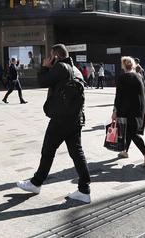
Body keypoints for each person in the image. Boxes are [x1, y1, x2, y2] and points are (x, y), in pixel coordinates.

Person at [16, 44, 91, 203]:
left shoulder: (60, 68)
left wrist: (44, 67)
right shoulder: (74, 69)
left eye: (50, 56)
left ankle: (36, 183)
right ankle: (84, 190)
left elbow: (42, 81)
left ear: (56, 56)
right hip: (75, 118)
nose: (48, 58)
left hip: (60, 119)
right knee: (77, 152)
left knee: (48, 150)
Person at [113, 57, 145, 166]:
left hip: (127, 110)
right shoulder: (139, 76)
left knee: (131, 132)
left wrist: (115, 111)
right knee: (130, 130)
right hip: (139, 109)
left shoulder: (122, 78)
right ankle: (125, 151)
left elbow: (118, 96)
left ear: (123, 66)